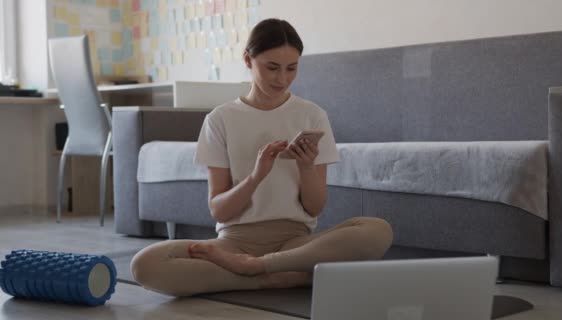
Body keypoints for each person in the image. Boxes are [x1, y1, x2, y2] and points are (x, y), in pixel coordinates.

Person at [130, 18, 393, 297]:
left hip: (295, 244)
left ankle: (257, 267)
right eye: (272, 68)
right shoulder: (220, 119)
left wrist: (306, 166)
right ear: (248, 60)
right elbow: (219, 210)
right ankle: (278, 277)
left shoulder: (312, 115)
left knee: (377, 231)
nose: (282, 79)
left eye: (292, 68)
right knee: (146, 264)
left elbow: (315, 208)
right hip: (234, 244)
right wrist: (256, 177)